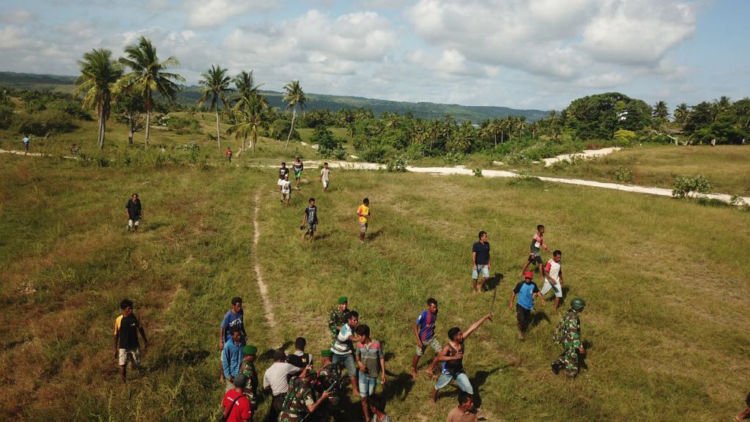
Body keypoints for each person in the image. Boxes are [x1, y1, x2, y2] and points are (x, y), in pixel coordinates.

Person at [432, 313, 493, 403]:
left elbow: (473, 327)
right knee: (438, 386)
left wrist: (485, 317)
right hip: (448, 371)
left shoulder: (461, 340)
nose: (462, 335)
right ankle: (433, 401)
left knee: (469, 388)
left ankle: (470, 406)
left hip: (458, 370)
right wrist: (453, 357)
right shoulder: (448, 347)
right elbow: (439, 358)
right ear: (455, 337)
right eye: (460, 334)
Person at [355, 324, 386, 422]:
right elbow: (357, 357)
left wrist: (383, 373)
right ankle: (367, 418)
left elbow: (381, 358)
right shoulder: (359, 345)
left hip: (373, 376)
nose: (358, 338)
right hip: (362, 375)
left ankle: (374, 416)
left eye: (359, 336)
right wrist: (360, 364)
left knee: (371, 398)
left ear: (365, 335)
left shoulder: (377, 344)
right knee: (363, 398)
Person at [113, 299, 148, 383]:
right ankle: (123, 383)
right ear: (123, 309)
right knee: (122, 365)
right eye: (129, 308)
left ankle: (141, 379)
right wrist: (115, 349)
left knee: (138, 363)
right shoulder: (118, 320)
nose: (131, 310)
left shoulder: (134, 318)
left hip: (134, 345)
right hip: (123, 346)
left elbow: (140, 329)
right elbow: (116, 335)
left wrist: (145, 341)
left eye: (131, 308)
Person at [551, 298, 586, 378]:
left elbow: (560, 325)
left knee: (568, 354)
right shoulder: (573, 318)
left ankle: (556, 364)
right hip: (570, 340)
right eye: (582, 307)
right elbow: (573, 333)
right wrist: (580, 346)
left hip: (565, 338)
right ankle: (570, 374)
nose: (583, 308)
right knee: (573, 358)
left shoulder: (569, 313)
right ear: (578, 307)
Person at [263, 350, 302, 421]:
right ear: (282, 359)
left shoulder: (267, 371)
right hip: (285, 398)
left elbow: (265, 387)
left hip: (275, 399)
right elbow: (300, 369)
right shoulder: (285, 366)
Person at [331, 310, 362, 396]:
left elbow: (345, 329)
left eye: (357, 320)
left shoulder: (350, 326)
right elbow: (352, 338)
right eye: (354, 320)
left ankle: (355, 390)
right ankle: (334, 391)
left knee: (353, 372)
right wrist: (361, 338)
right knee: (333, 372)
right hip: (337, 353)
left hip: (347, 353)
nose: (356, 322)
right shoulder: (347, 329)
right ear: (349, 320)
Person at [509, 271, 544, 340]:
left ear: (531, 278)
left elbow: (537, 292)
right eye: (526, 277)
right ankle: (520, 333)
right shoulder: (520, 284)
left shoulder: (533, 285)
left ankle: (520, 324)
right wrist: (511, 302)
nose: (527, 279)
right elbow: (514, 292)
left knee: (526, 321)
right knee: (522, 320)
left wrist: (542, 299)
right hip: (520, 305)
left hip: (528, 306)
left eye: (529, 278)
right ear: (525, 277)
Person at [412, 297, 440, 380]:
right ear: (429, 307)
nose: (435, 309)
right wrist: (418, 340)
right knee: (418, 355)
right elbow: (415, 327)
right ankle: (413, 369)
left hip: (432, 338)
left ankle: (431, 369)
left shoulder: (435, 313)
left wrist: (432, 329)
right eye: (433, 307)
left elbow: (432, 323)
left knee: (440, 352)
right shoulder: (423, 314)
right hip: (423, 339)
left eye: (436, 307)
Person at [220, 297, 247, 381]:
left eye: (240, 305)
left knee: (240, 354)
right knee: (224, 357)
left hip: (239, 336)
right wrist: (221, 341)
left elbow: (241, 324)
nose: (240, 307)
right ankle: (222, 375)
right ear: (233, 306)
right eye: (238, 306)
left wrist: (244, 333)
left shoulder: (241, 312)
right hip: (229, 338)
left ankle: (238, 371)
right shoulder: (228, 316)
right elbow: (222, 328)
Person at [316, 349, 344, 419]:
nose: (320, 359)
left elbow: (319, 385)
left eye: (321, 357)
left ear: (325, 358)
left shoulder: (324, 371)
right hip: (337, 395)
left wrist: (317, 375)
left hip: (328, 398)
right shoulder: (337, 367)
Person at [240, 345, 259, 414]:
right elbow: (248, 388)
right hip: (248, 398)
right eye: (253, 355)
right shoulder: (247, 368)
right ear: (247, 356)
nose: (255, 356)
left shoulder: (247, 363)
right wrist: (252, 402)